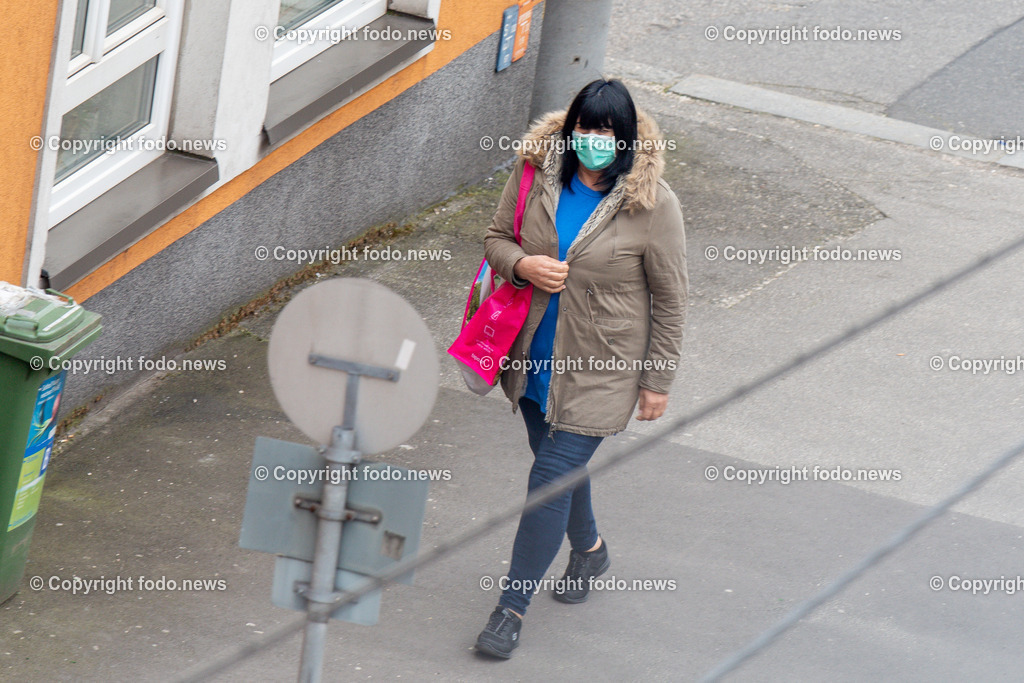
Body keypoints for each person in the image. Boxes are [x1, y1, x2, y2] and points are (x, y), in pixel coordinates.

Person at [475, 79, 687, 658]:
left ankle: (510, 609)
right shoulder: (533, 178)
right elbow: (496, 239)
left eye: (608, 130)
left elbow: (670, 299)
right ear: (570, 130)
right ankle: (590, 549)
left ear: (626, 139)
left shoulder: (653, 203)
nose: (595, 140)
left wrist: (656, 382)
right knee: (557, 466)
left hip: (603, 369)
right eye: (586, 128)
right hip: (534, 359)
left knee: (547, 484)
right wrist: (523, 265)